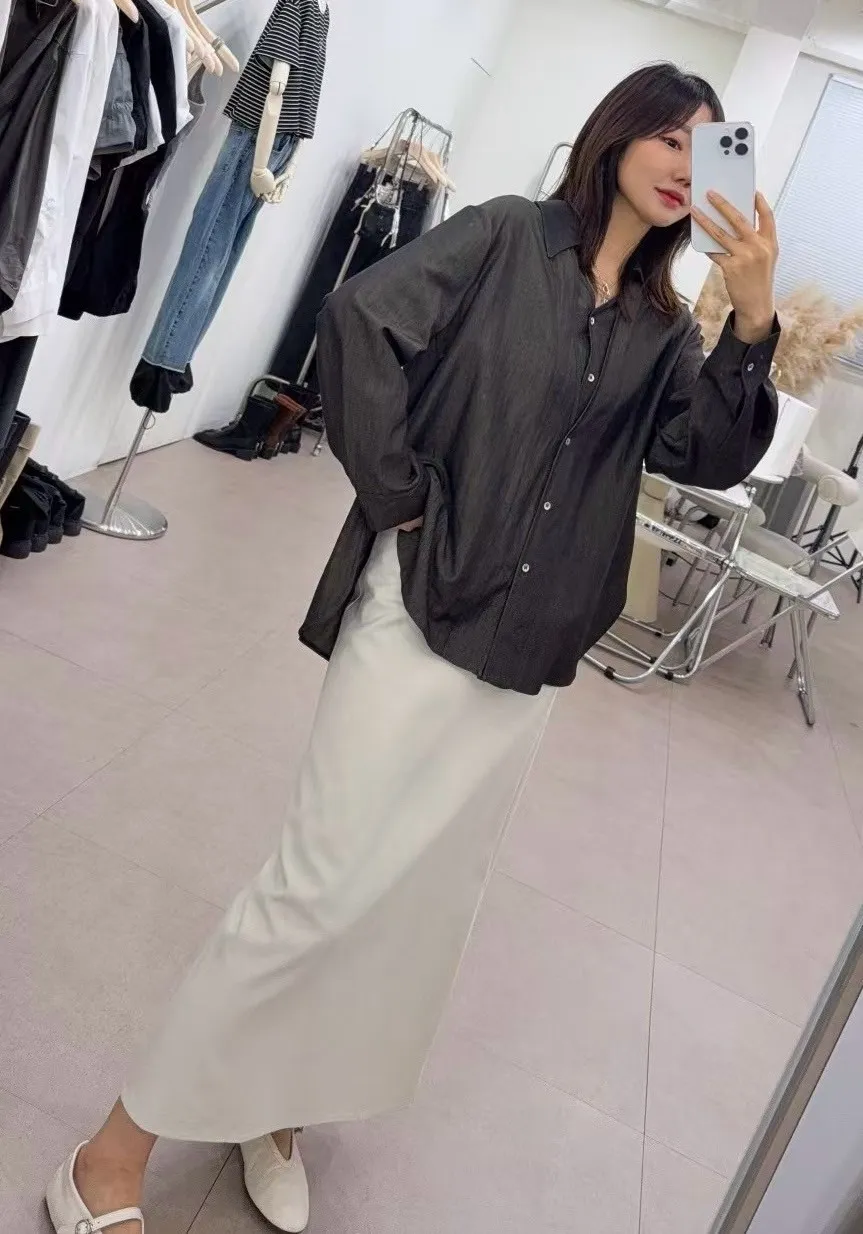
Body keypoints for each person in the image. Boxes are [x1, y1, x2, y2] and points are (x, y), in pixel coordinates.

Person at [46, 61, 780, 1234]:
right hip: (421, 609)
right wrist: (399, 495)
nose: (687, 172)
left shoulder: (658, 326)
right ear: (619, 135)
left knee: (412, 908)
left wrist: (747, 321)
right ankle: (108, 1155)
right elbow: (358, 320)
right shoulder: (503, 236)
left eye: (710, 155)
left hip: (526, 653)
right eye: (671, 142)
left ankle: (276, 1108)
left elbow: (704, 453)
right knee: (317, 888)